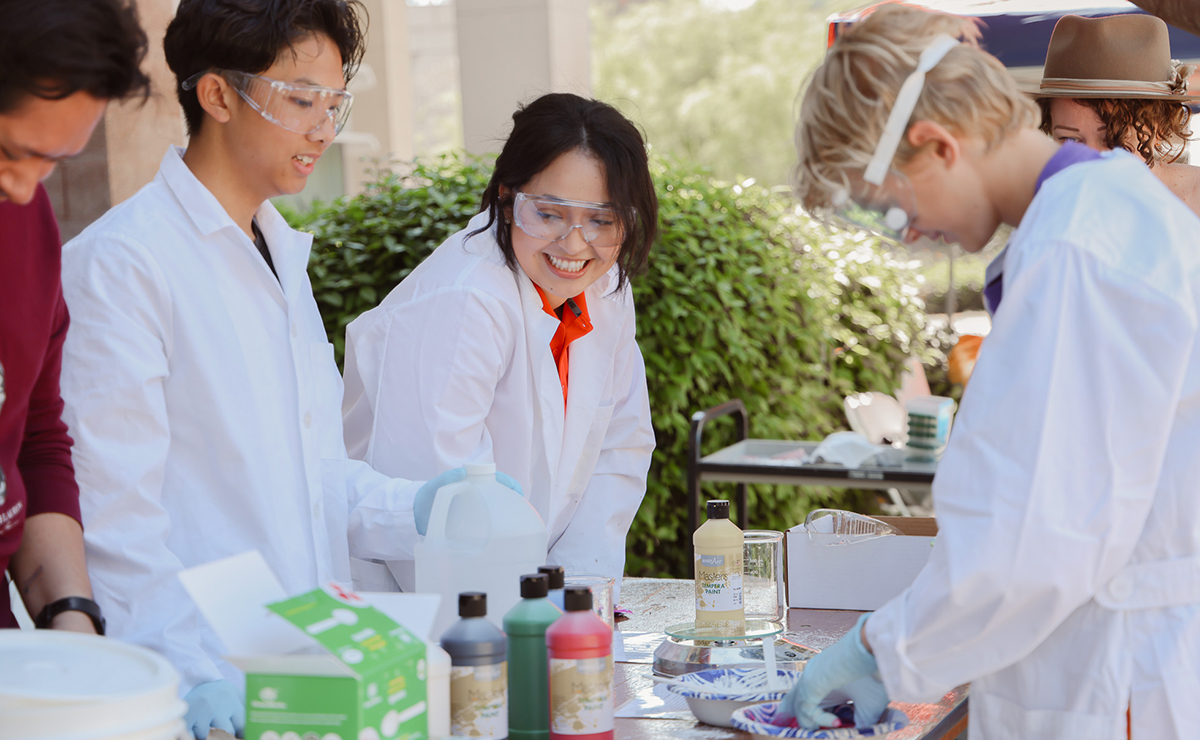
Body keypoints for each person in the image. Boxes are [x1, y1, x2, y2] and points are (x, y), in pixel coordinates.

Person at [58, 1, 506, 737]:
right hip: (204, 682)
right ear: (217, 95)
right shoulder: (123, 265)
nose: (324, 129)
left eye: (335, 103)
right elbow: (114, 520)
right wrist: (190, 679)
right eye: (301, 100)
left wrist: (420, 507)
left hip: (311, 671)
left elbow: (312, 476)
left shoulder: (280, 259)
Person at [786, 4, 1200, 738]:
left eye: (888, 211)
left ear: (938, 145)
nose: (910, 236)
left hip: (1117, 680)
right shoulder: (1082, 222)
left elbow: (1035, 536)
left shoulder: (1076, 249)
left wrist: (882, 648)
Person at [341, 93, 657, 599]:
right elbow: (446, 508)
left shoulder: (603, 289)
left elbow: (619, 447)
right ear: (507, 201)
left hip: (531, 599)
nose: (575, 245)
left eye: (602, 220)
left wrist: (574, 593)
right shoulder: (462, 301)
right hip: (415, 602)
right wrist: (526, 622)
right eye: (548, 213)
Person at [0, 0, 149, 635]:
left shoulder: (26, 222)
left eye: (53, 162)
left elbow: (32, 435)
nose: (24, 187)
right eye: (12, 151)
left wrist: (70, 615)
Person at [1033, 14, 1200, 215]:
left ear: (1160, 128)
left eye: (1114, 139)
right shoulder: (1047, 208)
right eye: (1070, 139)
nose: (1090, 159)